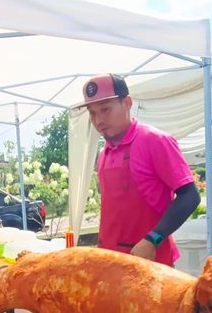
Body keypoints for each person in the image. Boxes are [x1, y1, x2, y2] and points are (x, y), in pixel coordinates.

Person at [79, 73, 200, 267]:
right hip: (111, 263)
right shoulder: (104, 153)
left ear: (127, 103)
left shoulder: (155, 141)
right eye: (92, 113)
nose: (98, 119)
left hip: (150, 263)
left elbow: (190, 196)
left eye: (105, 109)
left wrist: (153, 239)